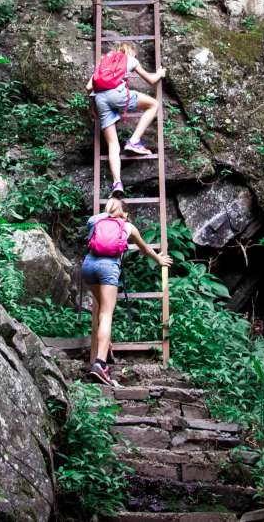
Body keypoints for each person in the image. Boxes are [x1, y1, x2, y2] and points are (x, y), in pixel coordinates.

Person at [81, 197, 172, 386]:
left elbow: (93, 227)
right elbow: (145, 249)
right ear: (125, 213)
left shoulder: (96, 220)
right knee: (106, 313)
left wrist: (108, 209)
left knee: (100, 310)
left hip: (88, 266)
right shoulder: (128, 227)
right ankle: (99, 363)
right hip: (109, 268)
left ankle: (106, 348)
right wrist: (159, 260)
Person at [85, 43, 166, 197]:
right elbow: (151, 80)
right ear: (131, 51)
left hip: (100, 100)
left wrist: (92, 107)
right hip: (117, 95)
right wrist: (160, 73)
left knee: (112, 144)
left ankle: (117, 183)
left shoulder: (105, 60)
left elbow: (89, 87)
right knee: (153, 104)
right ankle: (134, 140)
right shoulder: (130, 59)